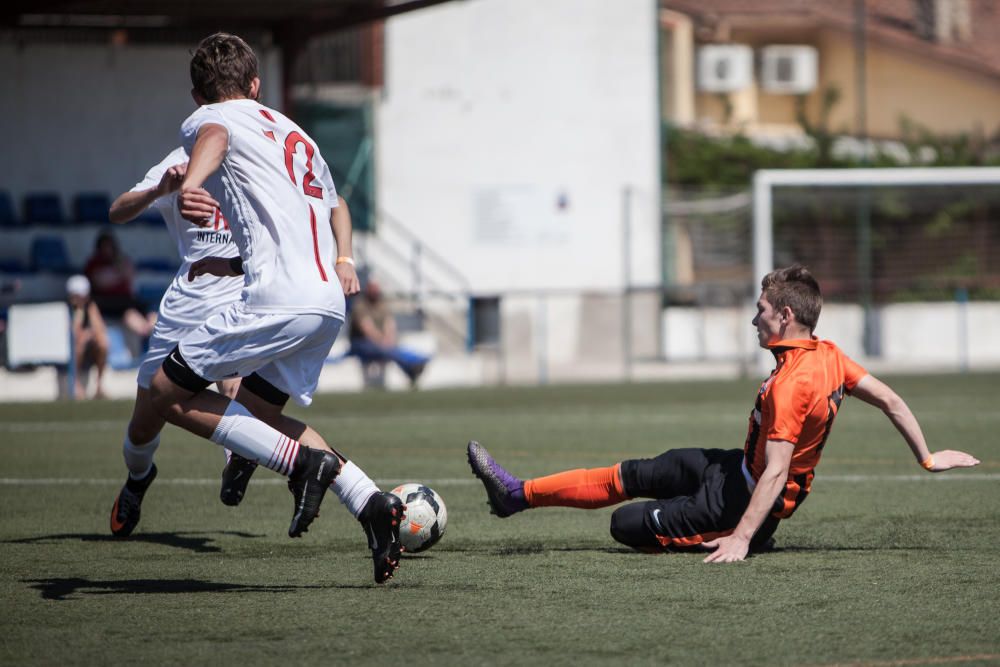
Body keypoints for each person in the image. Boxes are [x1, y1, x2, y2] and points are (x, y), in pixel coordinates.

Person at [121, 32, 403, 583]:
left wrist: (191, 184)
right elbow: (332, 204)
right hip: (326, 304)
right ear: (255, 83)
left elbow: (218, 132)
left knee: (163, 395)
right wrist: (347, 258)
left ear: (199, 94)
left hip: (277, 296)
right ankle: (373, 504)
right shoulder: (296, 134)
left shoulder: (212, 118)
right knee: (258, 413)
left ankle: (301, 464)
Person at [467, 265, 981, 563]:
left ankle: (746, 534)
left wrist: (740, 535)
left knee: (625, 525)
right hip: (732, 467)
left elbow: (778, 471)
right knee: (640, 471)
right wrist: (926, 457)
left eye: (760, 308)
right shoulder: (829, 355)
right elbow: (891, 400)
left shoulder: (792, 383)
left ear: (785, 316)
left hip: (744, 501)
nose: (753, 317)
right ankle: (517, 495)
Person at [106, 147, 245, 530]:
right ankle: (138, 478)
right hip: (186, 303)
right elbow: (117, 211)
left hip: (239, 292)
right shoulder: (179, 161)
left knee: (233, 379)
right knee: (143, 426)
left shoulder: (254, 150)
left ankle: (238, 456)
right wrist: (159, 190)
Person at [349, 278, 429, 387]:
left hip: (379, 343)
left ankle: (415, 363)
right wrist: (383, 342)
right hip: (361, 343)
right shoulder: (360, 305)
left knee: (393, 349)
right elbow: (368, 329)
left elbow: (389, 324)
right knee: (388, 351)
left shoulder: (382, 304)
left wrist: (388, 339)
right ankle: (412, 367)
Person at [83, 231, 157, 339]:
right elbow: (101, 282)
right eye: (104, 246)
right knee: (128, 312)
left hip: (126, 300)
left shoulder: (121, 260)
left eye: (109, 246)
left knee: (147, 306)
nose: (107, 250)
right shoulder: (93, 263)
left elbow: (130, 273)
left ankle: (150, 328)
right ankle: (144, 330)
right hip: (105, 301)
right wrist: (118, 273)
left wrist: (116, 271)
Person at [66, 274, 109, 399]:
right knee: (78, 346)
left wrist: (89, 334)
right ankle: (76, 384)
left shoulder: (90, 306)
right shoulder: (67, 309)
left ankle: (99, 386)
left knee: (103, 343)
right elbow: (73, 333)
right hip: (74, 349)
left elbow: (100, 328)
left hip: (89, 348)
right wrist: (79, 313)